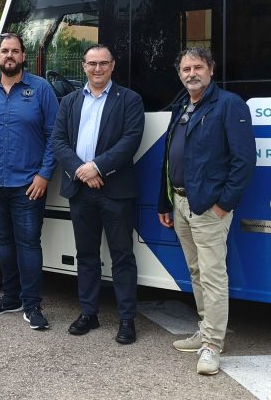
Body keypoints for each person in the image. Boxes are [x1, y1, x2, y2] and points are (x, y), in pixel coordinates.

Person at [158, 48, 255, 375]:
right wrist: (166, 201)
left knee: (213, 276)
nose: (191, 73)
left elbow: (244, 162)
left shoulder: (229, 105)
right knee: (197, 271)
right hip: (182, 202)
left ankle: (212, 345)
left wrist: (222, 204)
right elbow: (170, 157)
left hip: (208, 206)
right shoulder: (182, 106)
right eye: (185, 68)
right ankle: (205, 329)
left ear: (210, 70)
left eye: (197, 67)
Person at [52, 44, 145, 344]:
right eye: (92, 63)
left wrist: (98, 168)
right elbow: (58, 140)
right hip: (81, 190)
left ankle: (127, 319)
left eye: (103, 63)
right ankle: (89, 313)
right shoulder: (68, 101)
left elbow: (130, 141)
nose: (97, 69)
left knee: (122, 257)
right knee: (87, 256)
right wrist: (82, 170)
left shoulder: (130, 99)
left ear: (112, 66)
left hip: (115, 190)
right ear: (83, 67)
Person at [0, 33, 58, 330]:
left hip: (28, 185)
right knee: (4, 242)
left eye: (15, 51)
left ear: (23, 56)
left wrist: (44, 174)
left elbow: (54, 137)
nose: (9, 56)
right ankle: (10, 298)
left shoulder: (41, 90)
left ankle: (32, 304)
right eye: (4, 51)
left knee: (28, 244)